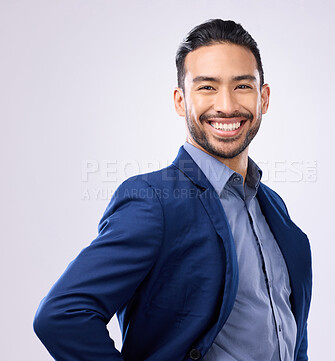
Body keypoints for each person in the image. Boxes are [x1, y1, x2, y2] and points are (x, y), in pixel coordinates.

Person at [34, 19, 312, 361]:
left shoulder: (273, 207)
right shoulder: (153, 200)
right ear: (181, 101)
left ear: (263, 98)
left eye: (242, 86)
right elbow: (61, 316)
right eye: (207, 87)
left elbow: (292, 332)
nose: (226, 105)